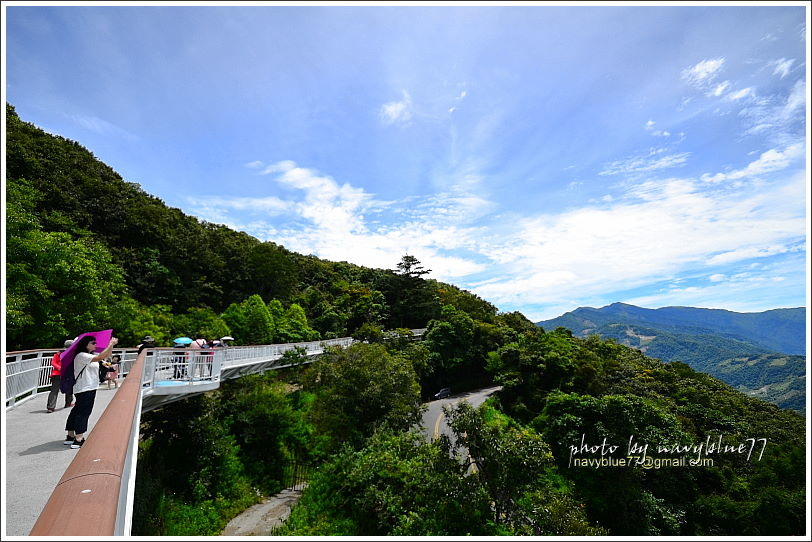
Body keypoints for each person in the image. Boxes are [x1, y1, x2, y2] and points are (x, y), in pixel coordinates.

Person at [64, 335, 119, 449]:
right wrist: (111, 344)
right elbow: (101, 356)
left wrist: (110, 348)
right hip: (86, 388)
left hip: (86, 387)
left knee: (77, 410)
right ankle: (78, 439)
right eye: (93, 343)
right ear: (85, 344)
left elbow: (105, 356)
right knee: (84, 412)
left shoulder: (90, 355)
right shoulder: (81, 356)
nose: (95, 344)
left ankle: (70, 435)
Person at [46, 339, 75, 412]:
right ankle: (68, 403)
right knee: (69, 389)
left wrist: (59, 368)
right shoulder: (73, 354)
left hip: (56, 374)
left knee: (54, 391)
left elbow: (53, 362)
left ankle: (50, 407)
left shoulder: (58, 353)